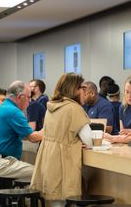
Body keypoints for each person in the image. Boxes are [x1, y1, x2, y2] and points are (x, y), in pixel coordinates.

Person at [30, 73, 93, 206]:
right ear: (75, 89)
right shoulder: (74, 108)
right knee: (65, 199)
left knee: (55, 201)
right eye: (83, 88)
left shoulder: (51, 107)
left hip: (48, 159)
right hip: (63, 161)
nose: (85, 92)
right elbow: (89, 140)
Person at [0, 81, 42, 179]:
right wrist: (50, 130)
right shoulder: (13, 111)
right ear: (20, 97)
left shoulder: (5, 107)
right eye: (28, 97)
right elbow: (33, 138)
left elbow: (25, 135)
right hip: (0, 163)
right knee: (40, 174)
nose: (29, 101)